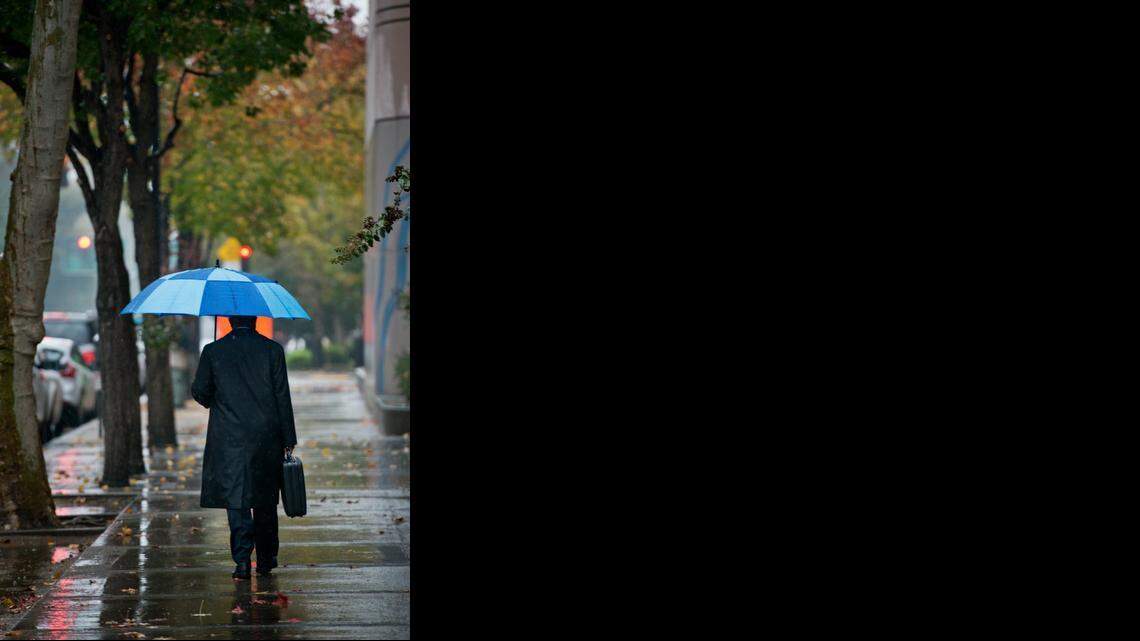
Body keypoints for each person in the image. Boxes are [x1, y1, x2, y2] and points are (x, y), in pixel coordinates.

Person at [191, 315, 297, 580]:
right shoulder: (273, 350)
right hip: (266, 435)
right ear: (254, 321)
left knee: (237, 500)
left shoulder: (213, 351)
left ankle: (241, 562)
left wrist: (215, 392)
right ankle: (266, 559)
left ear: (227, 321)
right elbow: (282, 395)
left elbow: (200, 392)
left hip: (229, 437)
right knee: (265, 498)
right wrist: (289, 438)